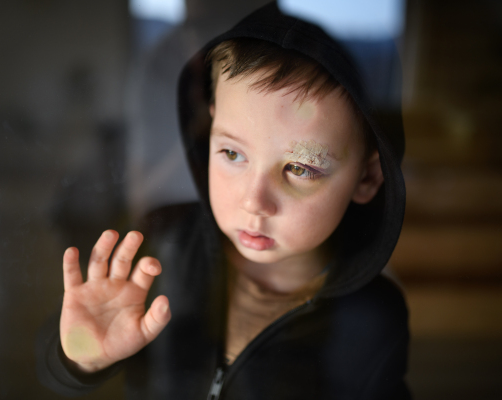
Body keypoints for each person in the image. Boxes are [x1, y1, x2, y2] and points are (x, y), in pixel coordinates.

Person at [36, 2, 410, 399]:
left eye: (300, 169)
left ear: (367, 177)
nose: (254, 202)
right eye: (233, 155)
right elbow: (62, 361)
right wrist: (84, 356)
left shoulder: (372, 319)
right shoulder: (163, 253)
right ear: (208, 129)